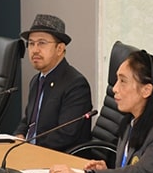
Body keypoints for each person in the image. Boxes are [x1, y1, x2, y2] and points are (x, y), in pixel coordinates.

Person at [48, 49, 153, 173]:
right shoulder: (130, 121)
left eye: (123, 81)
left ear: (146, 90)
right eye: (116, 80)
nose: (115, 88)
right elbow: (129, 168)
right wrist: (107, 172)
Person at [12, 14, 93, 152]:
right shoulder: (37, 80)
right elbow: (28, 121)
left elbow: (66, 134)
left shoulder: (76, 84)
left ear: (60, 49)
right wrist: (19, 136)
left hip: (61, 160)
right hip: (33, 153)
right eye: (31, 43)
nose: (35, 50)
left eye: (42, 43)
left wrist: (30, 147)